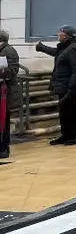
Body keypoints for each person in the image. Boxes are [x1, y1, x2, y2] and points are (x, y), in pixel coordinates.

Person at [35, 26, 76, 145]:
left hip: (69, 87)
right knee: (64, 113)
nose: (58, 34)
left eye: (60, 33)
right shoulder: (66, 47)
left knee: (72, 112)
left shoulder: (74, 49)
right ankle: (66, 135)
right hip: (62, 86)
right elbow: (56, 53)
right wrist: (42, 48)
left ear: (67, 35)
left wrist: (72, 89)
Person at [0, 30, 20, 159]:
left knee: (4, 121)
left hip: (5, 93)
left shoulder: (9, 51)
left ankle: (3, 148)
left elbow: (12, 71)